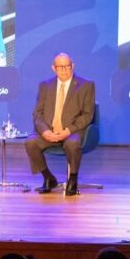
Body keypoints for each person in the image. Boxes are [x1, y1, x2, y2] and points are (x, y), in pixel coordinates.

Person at [24, 52, 95, 196]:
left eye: (66, 66)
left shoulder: (86, 85)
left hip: (72, 131)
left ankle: (73, 179)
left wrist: (68, 131)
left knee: (72, 144)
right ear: (53, 68)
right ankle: (48, 177)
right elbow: (37, 114)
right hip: (49, 132)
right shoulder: (45, 86)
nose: (63, 70)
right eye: (59, 67)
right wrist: (44, 131)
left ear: (72, 66)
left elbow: (88, 115)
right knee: (31, 143)